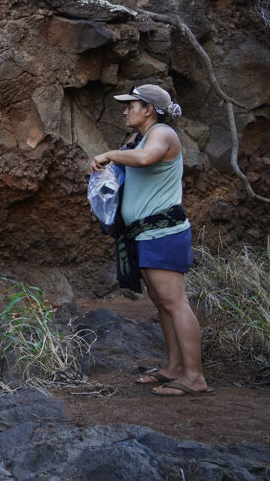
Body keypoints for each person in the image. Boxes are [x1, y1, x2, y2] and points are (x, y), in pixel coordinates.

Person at [90, 84, 211, 397]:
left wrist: (109, 154)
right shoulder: (141, 136)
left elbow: (145, 159)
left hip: (164, 232)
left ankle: (194, 377)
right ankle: (173, 368)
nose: (125, 110)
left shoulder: (162, 134)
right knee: (161, 302)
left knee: (175, 302)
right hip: (145, 233)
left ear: (149, 109)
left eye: (131, 104)